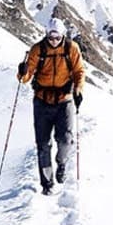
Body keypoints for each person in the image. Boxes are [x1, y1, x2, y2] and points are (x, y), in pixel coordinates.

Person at [17, 19, 85, 194]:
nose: (54, 40)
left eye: (57, 37)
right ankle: (47, 185)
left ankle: (61, 163)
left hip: (65, 100)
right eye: (50, 37)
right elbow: (26, 77)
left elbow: (79, 71)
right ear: (46, 34)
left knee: (65, 139)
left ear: (62, 35)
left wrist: (78, 90)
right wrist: (22, 72)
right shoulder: (37, 50)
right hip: (42, 101)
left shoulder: (72, 49)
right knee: (43, 144)